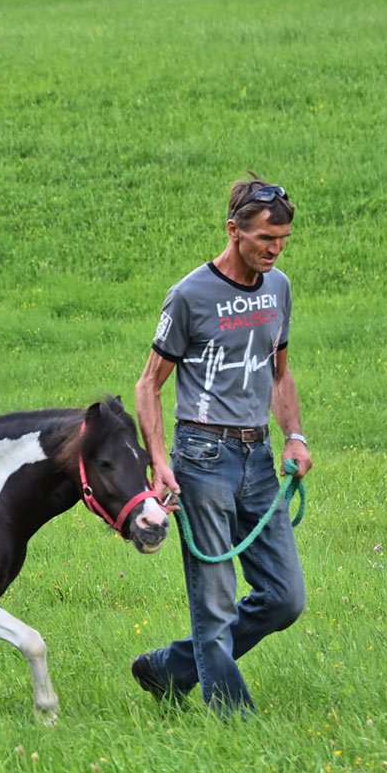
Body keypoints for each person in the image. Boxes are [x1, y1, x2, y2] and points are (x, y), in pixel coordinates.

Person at [129, 176, 312, 716]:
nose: (274, 250)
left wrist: (294, 436)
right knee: (214, 603)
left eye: (282, 240)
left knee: (284, 597)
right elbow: (148, 385)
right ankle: (234, 720)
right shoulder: (190, 296)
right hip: (202, 457)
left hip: (258, 459)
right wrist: (160, 463)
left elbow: (279, 373)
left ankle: (170, 668)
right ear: (233, 231)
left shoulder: (278, 288)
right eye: (263, 239)